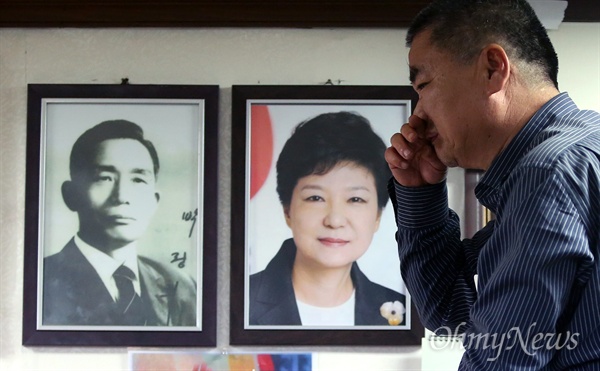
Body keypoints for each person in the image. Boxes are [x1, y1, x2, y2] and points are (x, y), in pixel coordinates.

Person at [385, 0, 600, 369]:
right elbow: (451, 311)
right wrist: (420, 193)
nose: (418, 113)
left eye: (424, 84)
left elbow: (501, 359)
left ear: (492, 69)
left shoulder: (549, 170)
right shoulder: (578, 148)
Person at [249, 111, 406, 326]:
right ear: (287, 210)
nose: (334, 220)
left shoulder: (401, 311)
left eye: (355, 199)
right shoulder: (241, 303)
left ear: (378, 215)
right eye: (315, 197)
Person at [43, 119, 197, 326]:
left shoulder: (181, 286)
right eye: (104, 178)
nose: (122, 196)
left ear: (154, 201)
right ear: (71, 195)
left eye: (138, 180)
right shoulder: (42, 280)